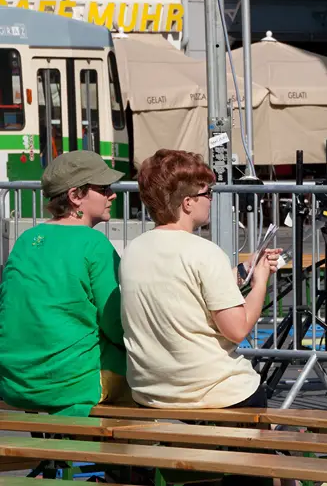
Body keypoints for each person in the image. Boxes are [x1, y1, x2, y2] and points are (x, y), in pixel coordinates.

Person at [120, 149, 280, 409]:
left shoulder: (133, 252)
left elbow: (182, 287)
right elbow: (238, 329)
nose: (211, 199)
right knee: (251, 390)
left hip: (151, 394)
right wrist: (260, 281)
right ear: (187, 203)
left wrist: (244, 270)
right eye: (207, 193)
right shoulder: (204, 252)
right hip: (214, 393)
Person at [0, 150, 128, 416]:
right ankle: (126, 457)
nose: (112, 195)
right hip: (73, 384)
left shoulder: (26, 240)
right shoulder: (95, 245)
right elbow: (116, 325)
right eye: (104, 188)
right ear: (75, 196)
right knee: (144, 386)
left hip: (15, 382)